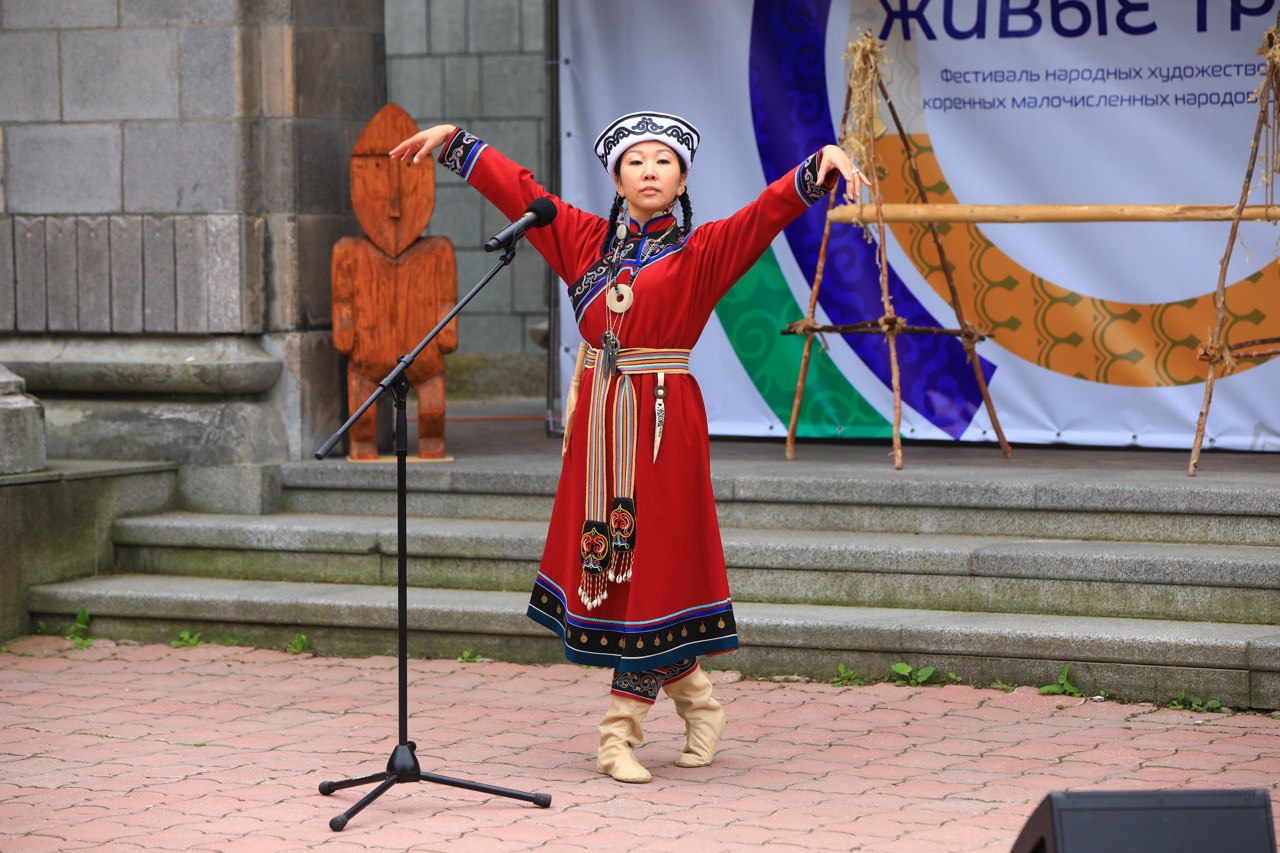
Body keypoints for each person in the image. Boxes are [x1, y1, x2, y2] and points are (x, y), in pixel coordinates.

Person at [390, 112, 866, 783]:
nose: (649, 170)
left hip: (664, 428)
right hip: (599, 426)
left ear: (681, 180)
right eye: (635, 161)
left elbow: (765, 214)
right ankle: (700, 704)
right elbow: (522, 191)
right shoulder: (581, 240)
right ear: (616, 176)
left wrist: (814, 171)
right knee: (622, 571)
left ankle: (619, 734)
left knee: (654, 573)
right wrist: (458, 145)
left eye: (663, 161)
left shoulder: (702, 252)